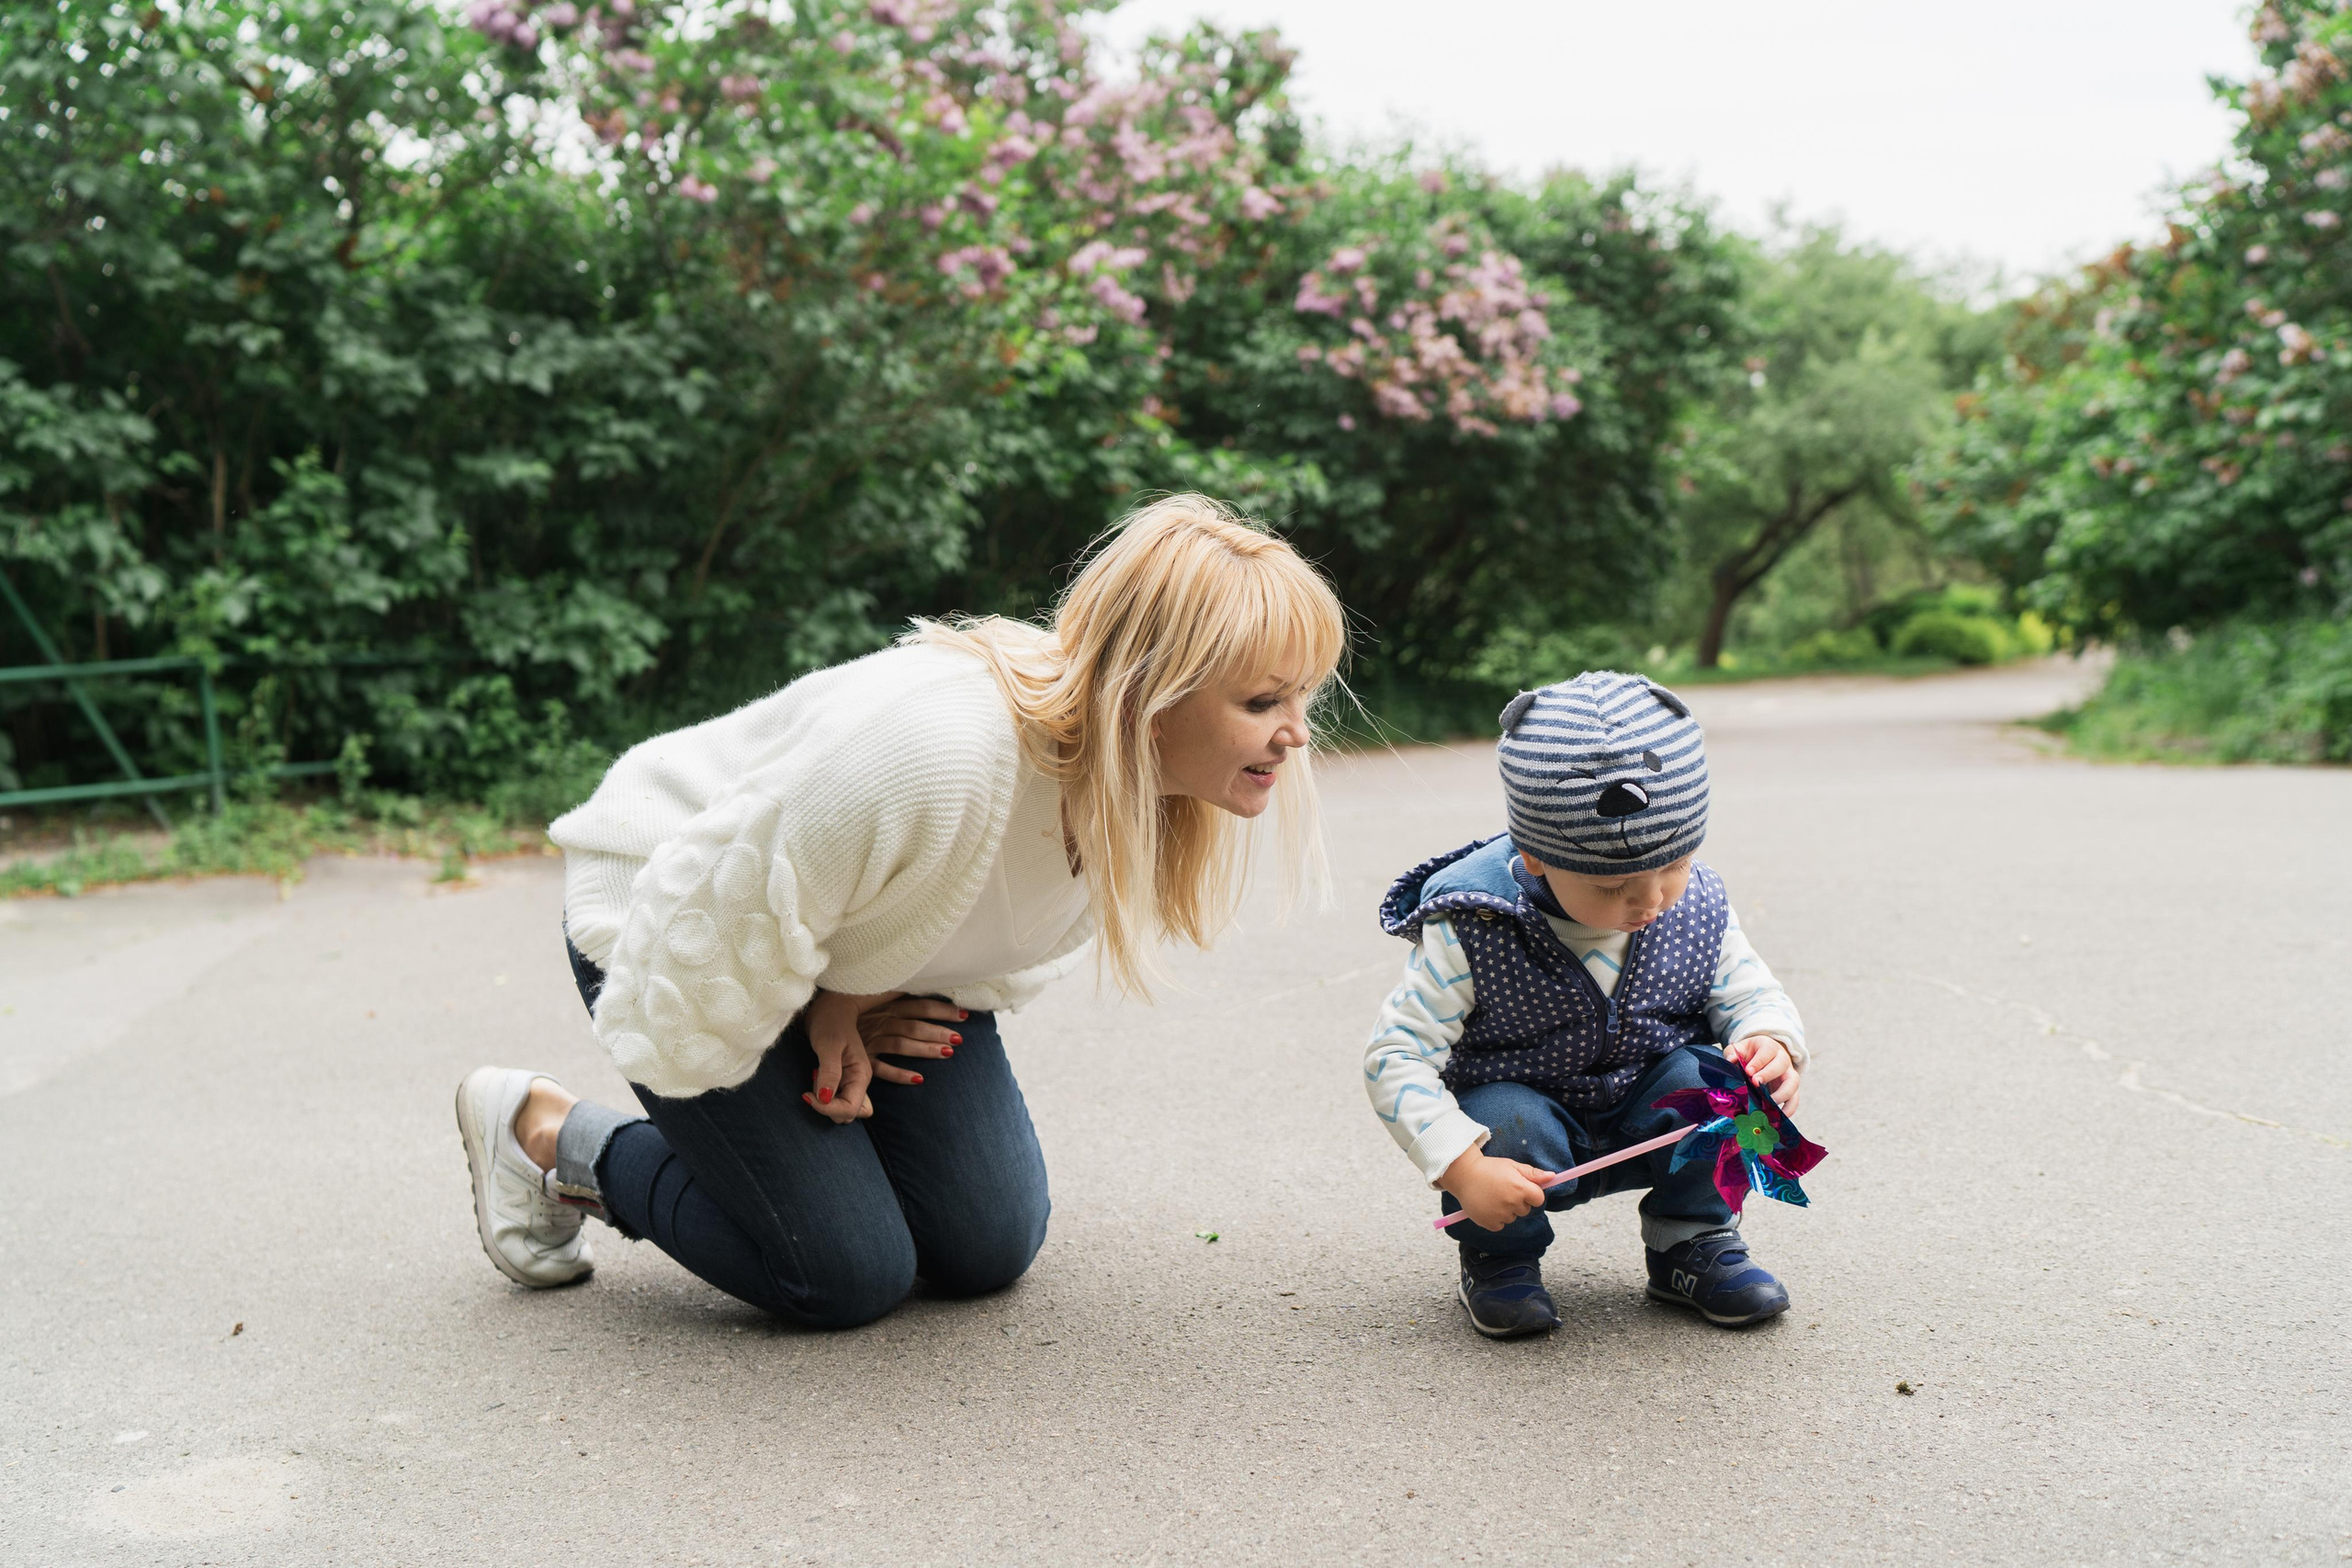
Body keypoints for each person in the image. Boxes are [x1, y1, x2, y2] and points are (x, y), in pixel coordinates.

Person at [454, 495, 1345, 1329]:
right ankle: (547, 1135)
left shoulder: (1152, 788)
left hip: (838, 950)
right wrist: (818, 1010)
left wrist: (854, 996)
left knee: (985, 1245)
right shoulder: (936, 753)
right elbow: (725, 901)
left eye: (1301, 695)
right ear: (1152, 694)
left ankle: (796, 1164)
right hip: (684, 913)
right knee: (841, 1272)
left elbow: (964, 928)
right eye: (1263, 702)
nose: (1296, 732)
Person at [1362, 670, 1810, 1337]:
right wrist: (1463, 1167)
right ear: (1536, 856)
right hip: (1526, 1135)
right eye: (1614, 885)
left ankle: (1691, 1239)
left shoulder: (1696, 906)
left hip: (1649, 1107)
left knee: (1713, 1081)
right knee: (1501, 1114)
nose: (1651, 900)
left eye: (1675, 865)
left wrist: (1771, 1040)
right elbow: (1395, 1055)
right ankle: (1499, 1258)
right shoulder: (1474, 924)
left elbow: (1749, 989)